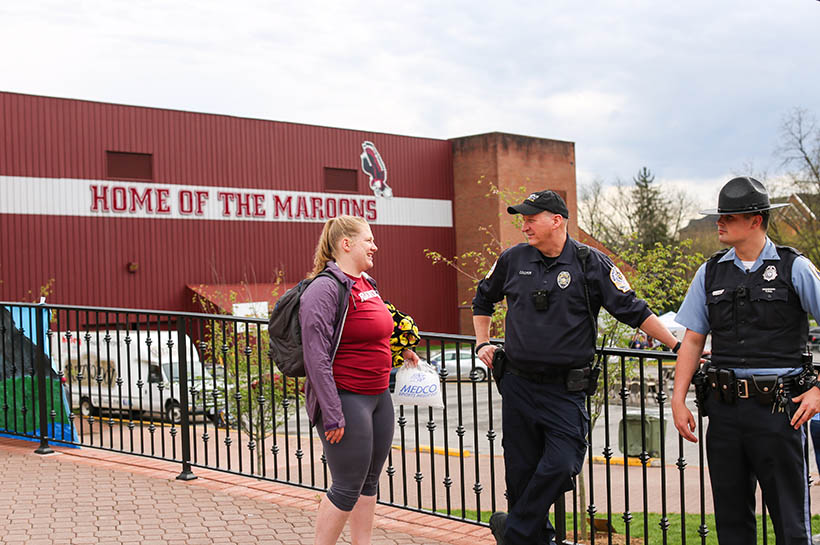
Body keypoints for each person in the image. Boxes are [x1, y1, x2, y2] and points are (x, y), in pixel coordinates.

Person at [472, 190, 680, 545]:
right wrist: (482, 341)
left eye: (530, 219)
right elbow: (483, 297)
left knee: (564, 463)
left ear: (556, 220)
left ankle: (513, 528)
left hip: (564, 389)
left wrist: (676, 345)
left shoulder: (589, 263)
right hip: (518, 385)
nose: (524, 226)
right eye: (522, 219)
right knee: (520, 475)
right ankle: (532, 537)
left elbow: (632, 309)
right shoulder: (512, 259)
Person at [672, 177, 820, 545]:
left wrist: (818, 390)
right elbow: (692, 339)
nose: (719, 222)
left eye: (729, 216)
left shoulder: (794, 268)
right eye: (719, 215)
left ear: (755, 220)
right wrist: (677, 399)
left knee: (790, 522)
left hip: (779, 412)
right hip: (724, 414)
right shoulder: (710, 273)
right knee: (731, 522)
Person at [299, 215, 420, 545]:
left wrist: (403, 351)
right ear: (346, 244)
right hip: (345, 398)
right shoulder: (323, 289)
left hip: (379, 396)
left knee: (368, 482)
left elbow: (377, 329)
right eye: (368, 240)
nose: (374, 246)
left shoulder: (366, 283)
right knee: (346, 484)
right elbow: (316, 357)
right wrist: (332, 412)